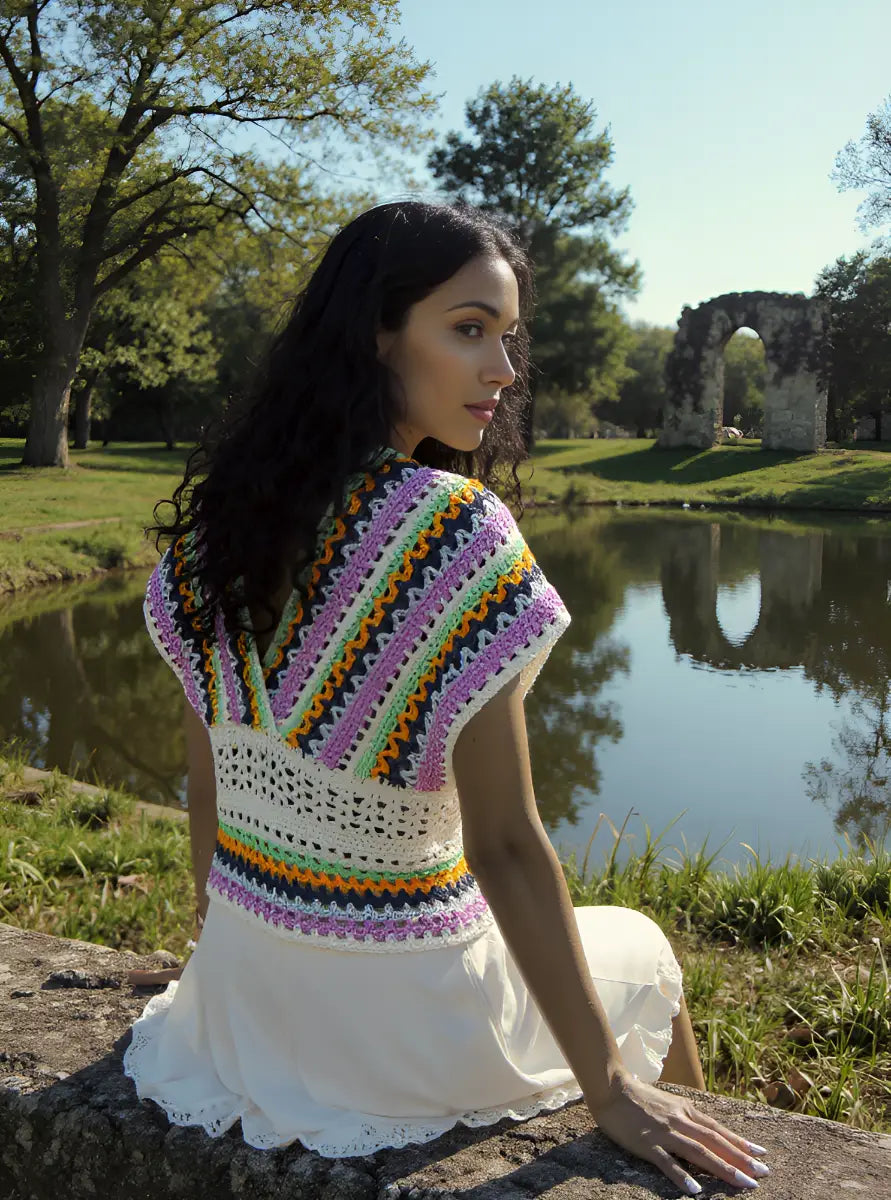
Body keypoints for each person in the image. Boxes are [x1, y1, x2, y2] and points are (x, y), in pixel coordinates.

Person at [122, 199, 769, 1195]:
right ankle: (682, 1158)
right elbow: (504, 846)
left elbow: (208, 792)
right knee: (642, 947)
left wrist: (228, 976)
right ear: (378, 335)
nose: (503, 372)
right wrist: (606, 1090)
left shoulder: (214, 531)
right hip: (396, 1024)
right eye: (468, 330)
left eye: (506, 339)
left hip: (241, 992)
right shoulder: (455, 532)